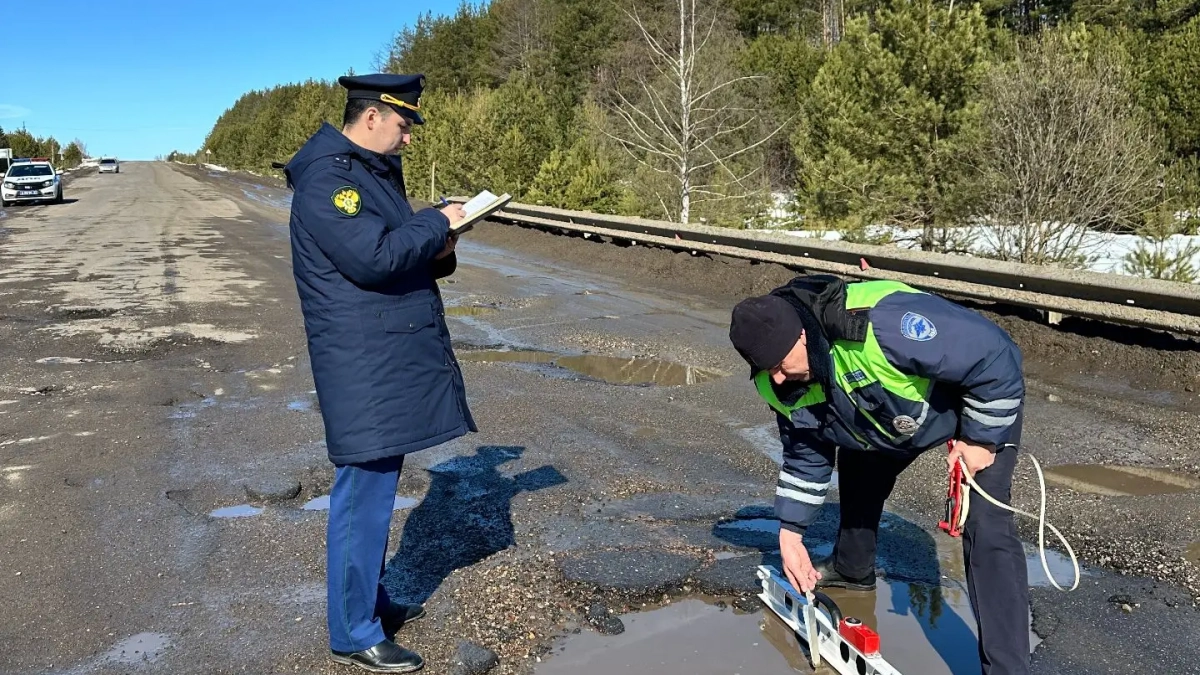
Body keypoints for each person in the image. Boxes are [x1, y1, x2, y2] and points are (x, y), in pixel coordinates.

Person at [728, 274, 1029, 675]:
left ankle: (1008, 668)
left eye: (781, 365)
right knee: (857, 464)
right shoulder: (778, 381)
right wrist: (790, 532)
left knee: (988, 527)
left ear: (803, 337)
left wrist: (981, 441)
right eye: (765, 369)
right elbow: (806, 454)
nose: (777, 378)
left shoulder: (883, 325)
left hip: (968, 407)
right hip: (886, 419)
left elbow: (995, 356)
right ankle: (853, 570)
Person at [283, 73, 476, 673]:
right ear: (372, 119)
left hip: (379, 354)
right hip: (362, 362)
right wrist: (438, 220)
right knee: (362, 495)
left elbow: (397, 251)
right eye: (402, 124)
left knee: (379, 489)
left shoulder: (367, 175)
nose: (408, 138)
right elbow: (374, 258)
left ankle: (368, 599)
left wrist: (440, 244)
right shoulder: (329, 182)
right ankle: (353, 631)